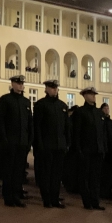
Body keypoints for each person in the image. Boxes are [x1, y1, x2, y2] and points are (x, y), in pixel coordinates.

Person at [0, 75, 33, 208]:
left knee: (18, 171)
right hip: (10, 142)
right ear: (12, 84)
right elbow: (0, 121)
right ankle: (8, 197)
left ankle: (16, 196)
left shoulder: (25, 102)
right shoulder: (6, 100)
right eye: (18, 83)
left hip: (22, 143)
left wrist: (29, 141)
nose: (20, 85)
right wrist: (4, 139)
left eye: (22, 83)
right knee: (9, 171)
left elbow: (29, 124)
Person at [33, 80, 69, 208]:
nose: (54, 90)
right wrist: (39, 144)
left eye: (56, 88)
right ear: (46, 89)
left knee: (56, 175)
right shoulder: (40, 105)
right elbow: (37, 127)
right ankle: (46, 199)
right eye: (52, 87)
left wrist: (66, 143)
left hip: (60, 146)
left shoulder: (62, 106)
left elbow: (66, 127)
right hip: (46, 146)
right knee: (46, 174)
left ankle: (55, 198)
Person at [72, 87, 107, 210]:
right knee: (85, 177)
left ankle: (95, 201)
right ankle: (87, 202)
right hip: (86, 150)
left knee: (95, 178)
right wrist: (78, 149)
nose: (93, 96)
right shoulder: (80, 112)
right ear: (85, 96)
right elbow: (77, 133)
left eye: (94, 94)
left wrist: (103, 148)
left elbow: (103, 133)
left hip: (98, 150)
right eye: (91, 94)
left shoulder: (99, 113)